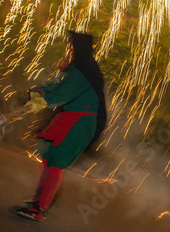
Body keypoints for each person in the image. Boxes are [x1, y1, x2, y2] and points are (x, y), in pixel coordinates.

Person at [16, 30, 107, 221]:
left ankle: (39, 209)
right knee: (48, 158)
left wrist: (42, 100)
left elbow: (63, 92)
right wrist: (37, 93)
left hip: (79, 122)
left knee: (56, 163)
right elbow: (56, 86)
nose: (70, 50)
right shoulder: (77, 68)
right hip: (69, 117)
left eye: (73, 47)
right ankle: (38, 201)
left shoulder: (83, 71)